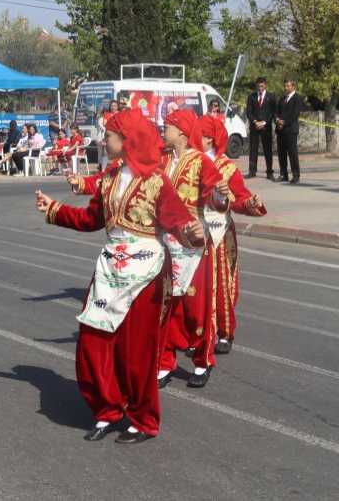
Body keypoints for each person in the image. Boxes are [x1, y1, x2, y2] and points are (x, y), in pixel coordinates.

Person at [35, 108, 203, 444]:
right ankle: (107, 408)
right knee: (93, 339)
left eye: (108, 135)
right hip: (110, 267)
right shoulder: (110, 178)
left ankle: (143, 419)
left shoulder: (156, 181)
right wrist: (55, 210)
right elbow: (91, 219)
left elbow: (180, 222)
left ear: (125, 141)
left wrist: (195, 233)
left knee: (136, 349)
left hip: (147, 272)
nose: (103, 140)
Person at [157, 110, 225, 389]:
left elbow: (217, 199)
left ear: (182, 133)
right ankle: (164, 361)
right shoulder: (160, 159)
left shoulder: (200, 162)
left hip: (194, 243)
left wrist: (220, 194)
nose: (163, 130)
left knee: (195, 307)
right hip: (165, 242)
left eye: (168, 126)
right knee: (165, 305)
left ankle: (202, 360)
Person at [196, 116, 267, 355]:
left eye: (200, 134)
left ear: (210, 139)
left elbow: (239, 198)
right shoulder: (191, 162)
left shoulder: (226, 167)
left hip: (218, 234)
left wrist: (251, 202)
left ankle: (225, 333)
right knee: (193, 287)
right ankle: (198, 333)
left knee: (220, 286)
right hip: (192, 234)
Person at [244, 77, 277, 180]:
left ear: (265, 85)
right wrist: (255, 122)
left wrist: (264, 122)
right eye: (258, 86)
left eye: (262, 86)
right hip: (254, 127)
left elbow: (273, 112)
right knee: (253, 150)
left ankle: (269, 172)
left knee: (268, 150)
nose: (260, 88)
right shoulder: (251, 97)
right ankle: (252, 171)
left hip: (266, 127)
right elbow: (249, 112)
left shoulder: (271, 97)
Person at [276, 79, 302, 184]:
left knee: (292, 153)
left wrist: (284, 122)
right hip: (280, 130)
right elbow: (277, 112)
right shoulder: (282, 99)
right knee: (281, 153)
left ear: (293, 87)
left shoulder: (297, 98)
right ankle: (284, 174)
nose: (286, 88)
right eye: (285, 86)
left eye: (288, 86)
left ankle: (296, 175)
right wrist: (277, 120)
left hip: (291, 130)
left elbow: (295, 114)